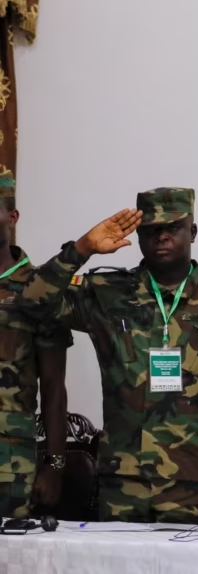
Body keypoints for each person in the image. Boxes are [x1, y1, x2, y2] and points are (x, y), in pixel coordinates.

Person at [20, 188, 198, 524]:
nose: (161, 237)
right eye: (150, 230)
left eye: (172, 228)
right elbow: (34, 301)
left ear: (192, 232)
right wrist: (82, 249)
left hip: (193, 480)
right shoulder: (107, 292)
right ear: (138, 236)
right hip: (122, 479)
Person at [0, 176, 72, 519]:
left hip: (8, 463)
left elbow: (54, 387)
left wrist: (55, 465)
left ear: (12, 217)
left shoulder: (38, 289)